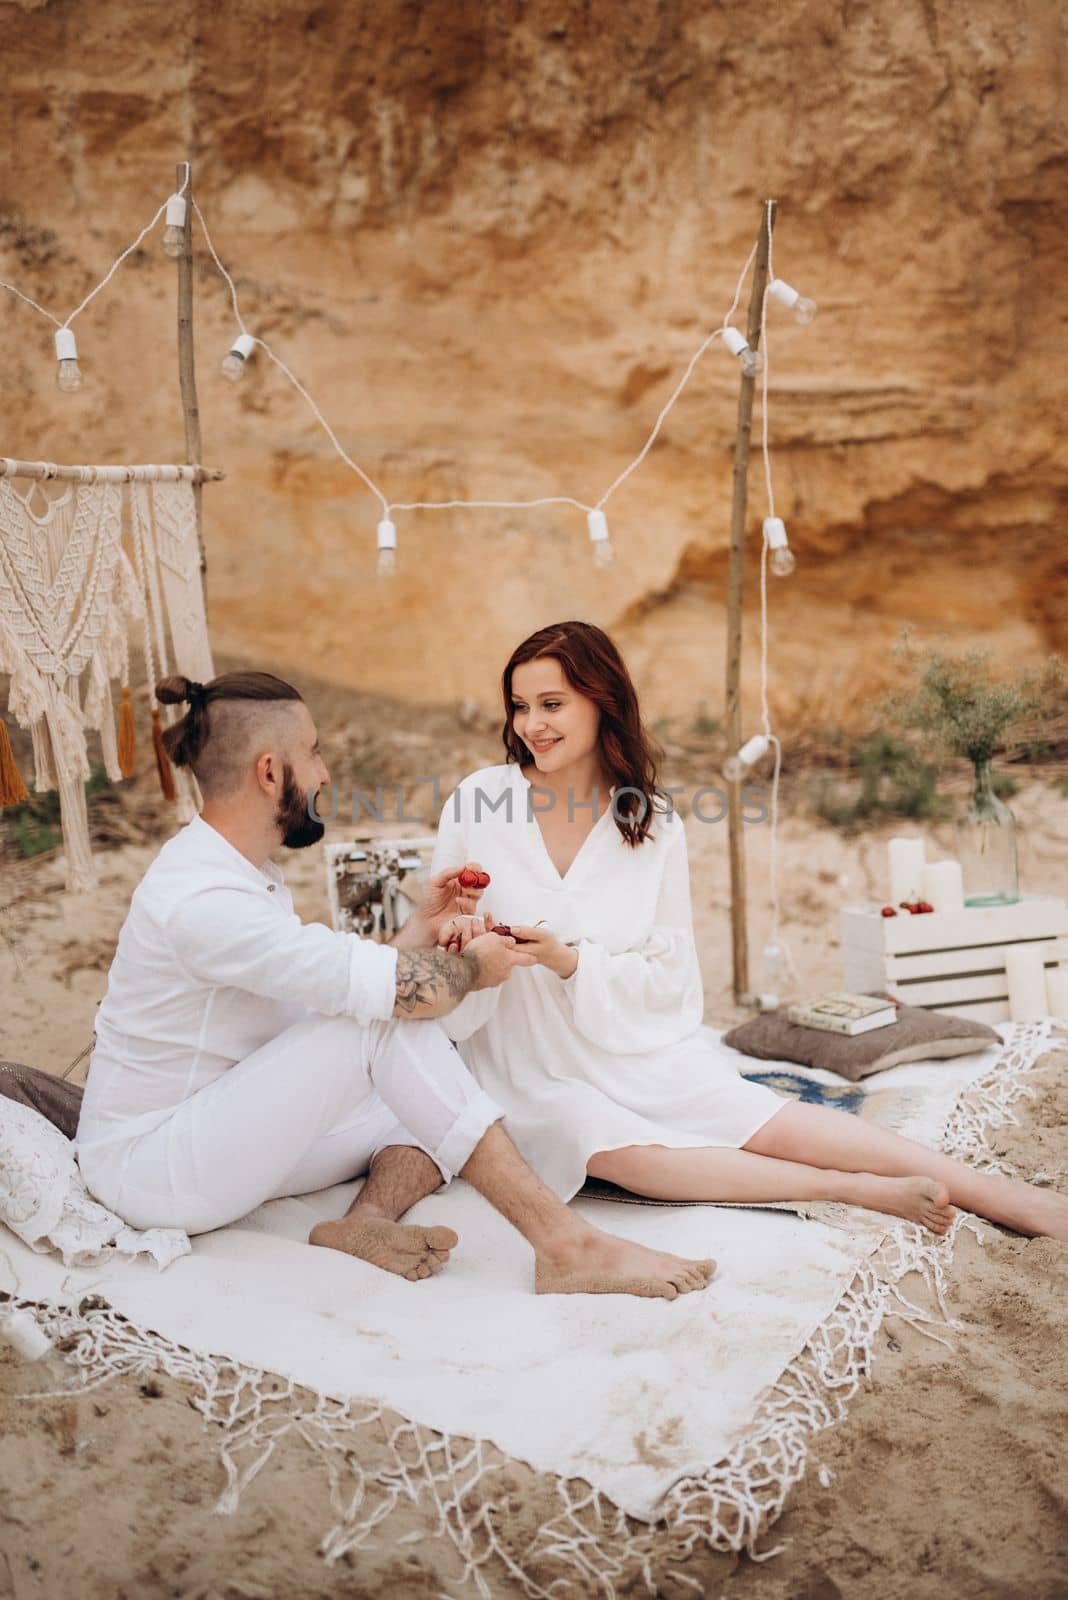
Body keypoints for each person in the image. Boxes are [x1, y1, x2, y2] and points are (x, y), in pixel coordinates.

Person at [372, 622, 1068, 1245]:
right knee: (607, 1147)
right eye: (520, 707)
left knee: (775, 1119)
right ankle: (851, 1190)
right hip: (519, 1058)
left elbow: (672, 974)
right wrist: (461, 931)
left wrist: (570, 961)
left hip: (626, 1039)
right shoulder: (480, 799)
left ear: (600, 701)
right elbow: (439, 945)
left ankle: (1006, 1195)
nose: (532, 724)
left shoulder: (650, 821)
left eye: (552, 704)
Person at [74, 670, 718, 1301]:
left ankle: (364, 1222)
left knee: (448, 1077)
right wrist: (475, 967)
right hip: (155, 1171)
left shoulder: (241, 871)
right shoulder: (203, 900)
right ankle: (564, 1245)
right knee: (390, 1034)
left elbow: (326, 993)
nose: (325, 774)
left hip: (221, 1122)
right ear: (270, 772)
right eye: (315, 753)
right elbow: (397, 999)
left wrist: (420, 928)